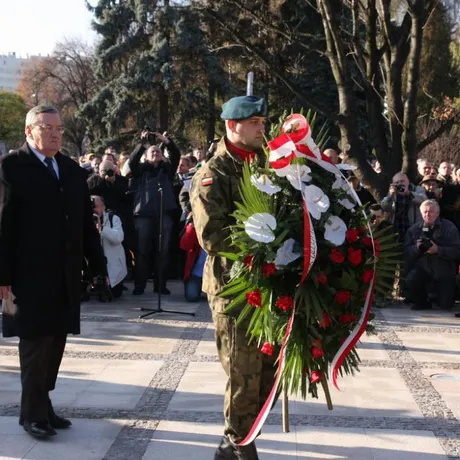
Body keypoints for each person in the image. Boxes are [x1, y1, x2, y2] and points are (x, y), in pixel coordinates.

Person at [0, 105, 106, 439]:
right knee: (34, 343)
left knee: (56, 340)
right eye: (47, 127)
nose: (56, 133)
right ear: (29, 130)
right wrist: (3, 277)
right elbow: (2, 226)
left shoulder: (70, 169)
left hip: (64, 273)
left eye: (59, 127)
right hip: (26, 276)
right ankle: (31, 415)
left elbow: (84, 223)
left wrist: (96, 265)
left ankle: (43, 404)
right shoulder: (11, 168)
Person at [191, 95, 275, 460]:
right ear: (232, 126)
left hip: (272, 284)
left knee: (269, 370)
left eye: (262, 121)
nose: (262, 128)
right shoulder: (214, 173)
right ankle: (239, 444)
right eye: (254, 122)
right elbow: (212, 236)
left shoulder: (268, 164)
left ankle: (236, 442)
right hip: (234, 286)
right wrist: (265, 248)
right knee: (244, 370)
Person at [130, 131, 180, 295]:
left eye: (158, 151)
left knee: (163, 252)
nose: (156, 152)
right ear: (146, 156)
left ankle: (160, 286)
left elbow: (175, 155)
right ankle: (140, 286)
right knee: (143, 251)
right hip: (144, 215)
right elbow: (132, 161)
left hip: (163, 214)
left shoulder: (167, 170)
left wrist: (167, 142)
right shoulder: (141, 170)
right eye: (152, 151)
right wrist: (142, 143)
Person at [405, 200, 460, 311]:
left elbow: (457, 251)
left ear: (437, 213)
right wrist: (417, 248)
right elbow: (406, 251)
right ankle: (423, 301)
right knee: (412, 279)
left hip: (444, 271)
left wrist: (438, 250)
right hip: (423, 269)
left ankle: (435, 297)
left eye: (430, 211)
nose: (427, 214)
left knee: (445, 305)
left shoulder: (449, 228)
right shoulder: (414, 229)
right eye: (425, 212)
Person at [92, 196, 127, 298]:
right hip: (95, 265)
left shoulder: (113, 218)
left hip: (113, 267)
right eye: (92, 207)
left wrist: (102, 228)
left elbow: (118, 238)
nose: (94, 210)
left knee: (114, 295)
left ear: (104, 207)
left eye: (96, 206)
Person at [381, 172, 427, 243]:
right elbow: (384, 207)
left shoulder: (417, 189)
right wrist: (390, 196)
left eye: (402, 181)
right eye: (397, 182)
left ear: (408, 181)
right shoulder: (394, 192)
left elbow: (424, 201)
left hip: (413, 228)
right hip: (397, 229)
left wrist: (409, 193)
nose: (400, 183)